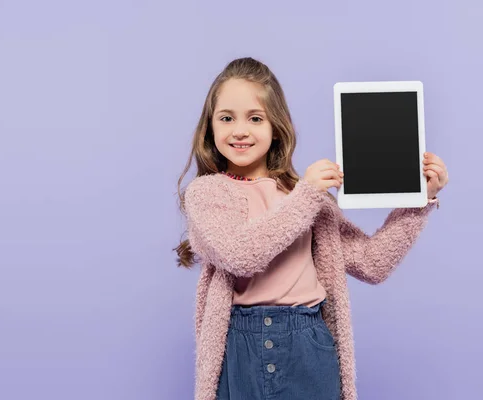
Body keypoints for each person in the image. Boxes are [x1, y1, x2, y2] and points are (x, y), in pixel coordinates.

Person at [174, 57, 449, 400]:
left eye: (255, 118)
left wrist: (420, 200)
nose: (240, 130)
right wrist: (307, 195)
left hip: (307, 342)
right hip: (239, 345)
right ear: (210, 128)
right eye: (226, 118)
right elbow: (239, 254)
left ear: (277, 126)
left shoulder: (304, 196)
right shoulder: (208, 193)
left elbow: (373, 262)